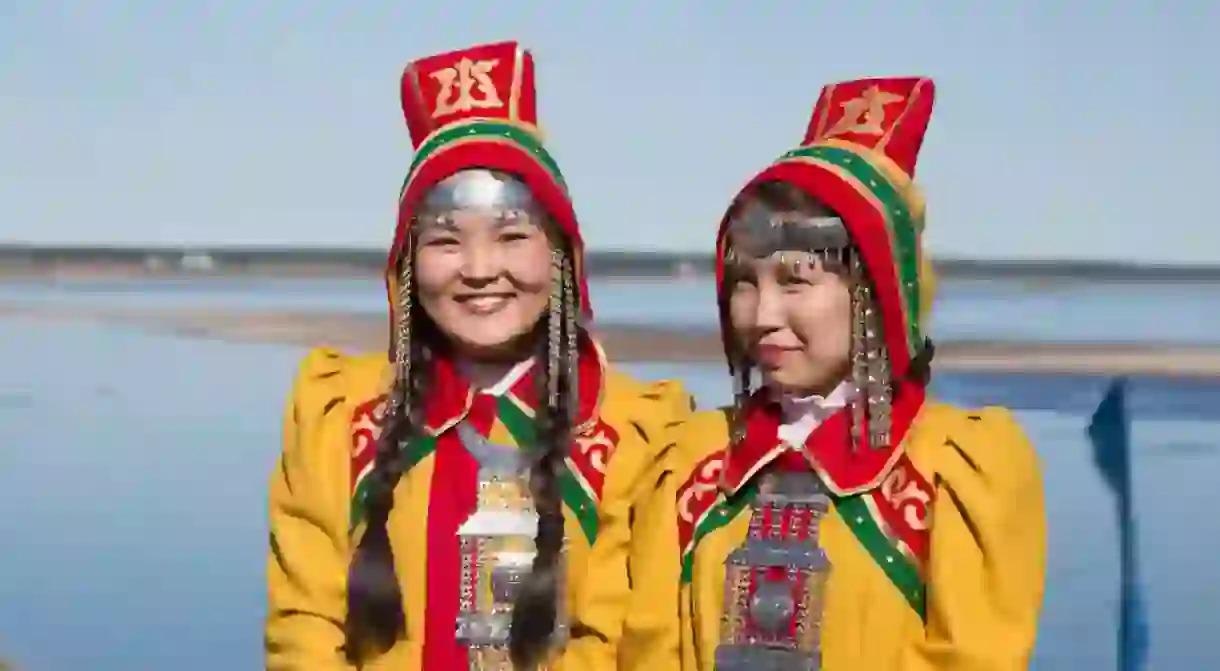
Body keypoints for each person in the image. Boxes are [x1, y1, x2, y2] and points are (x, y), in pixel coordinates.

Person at [264, 41, 692, 671]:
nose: (480, 270)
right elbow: (304, 625)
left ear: (561, 257)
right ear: (407, 265)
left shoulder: (640, 435)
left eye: (513, 237)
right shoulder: (336, 418)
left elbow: (632, 643)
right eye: (446, 242)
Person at [639, 77, 1047, 670]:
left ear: (873, 295)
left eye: (796, 281)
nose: (764, 316)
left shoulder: (955, 472)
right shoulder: (690, 464)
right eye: (745, 285)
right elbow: (651, 651)